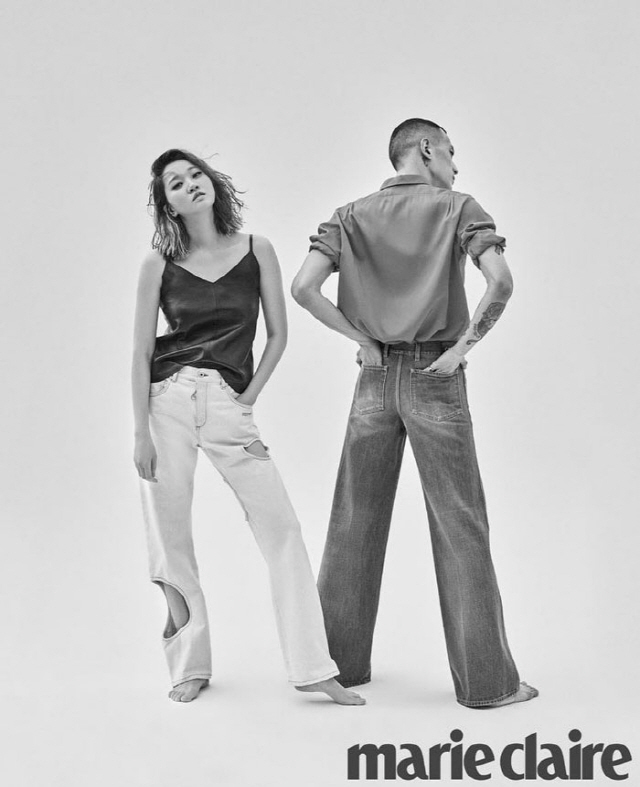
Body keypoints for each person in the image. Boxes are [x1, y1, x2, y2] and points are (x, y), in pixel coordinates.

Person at [292, 119, 538, 708]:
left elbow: (303, 288)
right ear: (426, 148)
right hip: (436, 376)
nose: (456, 164)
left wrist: (363, 340)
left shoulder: (350, 216)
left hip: (374, 377)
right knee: (460, 523)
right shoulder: (457, 208)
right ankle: (488, 685)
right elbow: (501, 281)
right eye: (450, 151)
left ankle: (337, 668)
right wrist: (459, 350)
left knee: (353, 521)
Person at [132, 148, 364, 706]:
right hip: (166, 403)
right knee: (170, 539)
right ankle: (189, 666)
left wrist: (247, 399)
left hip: (229, 404)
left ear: (212, 182)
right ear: (168, 203)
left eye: (195, 174)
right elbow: (140, 352)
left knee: (281, 529)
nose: (190, 184)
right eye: (175, 183)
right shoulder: (157, 264)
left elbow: (278, 334)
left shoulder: (257, 249)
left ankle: (312, 668)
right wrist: (140, 432)